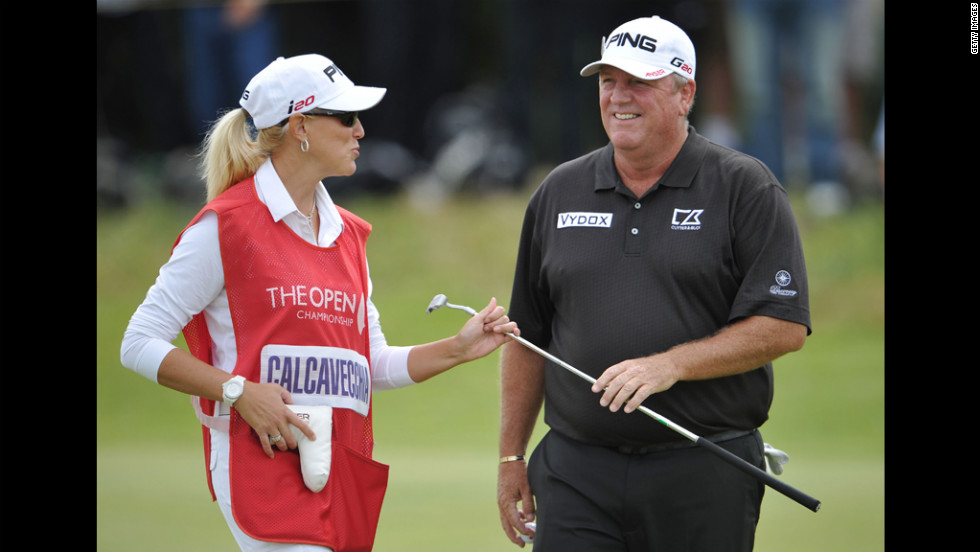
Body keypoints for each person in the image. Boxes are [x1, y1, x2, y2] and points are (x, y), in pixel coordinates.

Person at [120, 53, 519, 552]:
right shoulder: (225, 226)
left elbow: (366, 365)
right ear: (300, 126)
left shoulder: (349, 235)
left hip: (339, 462)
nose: (360, 131)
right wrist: (238, 391)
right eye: (347, 117)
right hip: (260, 462)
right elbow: (137, 342)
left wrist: (457, 349)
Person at [496, 16, 811, 551]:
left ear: (684, 92)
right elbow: (527, 336)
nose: (619, 97)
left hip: (704, 465)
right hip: (577, 472)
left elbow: (783, 325)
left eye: (638, 82)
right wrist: (511, 457)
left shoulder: (744, 186)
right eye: (607, 81)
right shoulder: (560, 190)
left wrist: (670, 365)